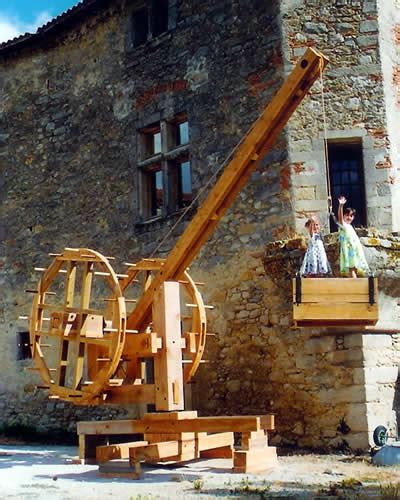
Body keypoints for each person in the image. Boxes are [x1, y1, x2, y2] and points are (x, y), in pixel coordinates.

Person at [331, 195, 369, 278]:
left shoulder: (350, 226)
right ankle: (355, 286)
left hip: (354, 251)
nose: (349, 217)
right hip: (348, 251)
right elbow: (340, 218)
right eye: (347, 215)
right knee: (351, 269)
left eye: (351, 216)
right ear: (344, 216)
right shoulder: (343, 225)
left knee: (355, 269)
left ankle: (355, 285)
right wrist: (341, 206)